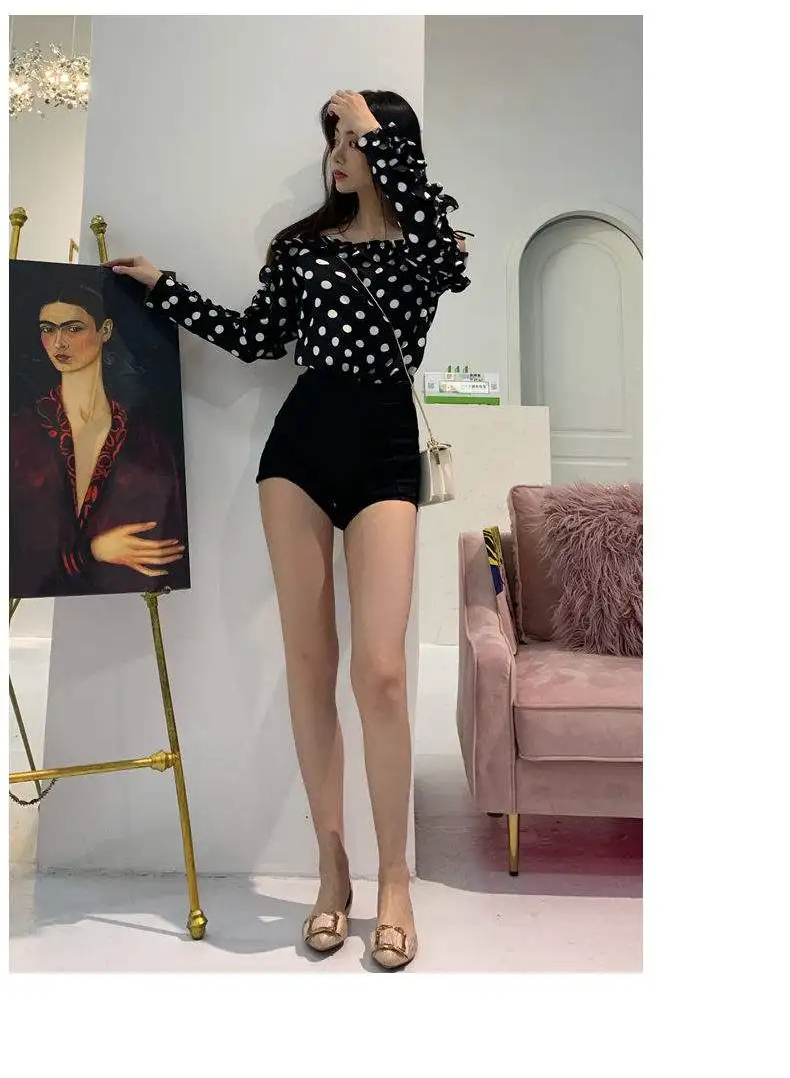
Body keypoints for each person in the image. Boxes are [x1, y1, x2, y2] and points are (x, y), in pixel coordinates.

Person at [107, 89, 470, 970]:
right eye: (334, 141)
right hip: (299, 452)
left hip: (385, 451)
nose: (337, 156)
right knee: (312, 665)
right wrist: (166, 291)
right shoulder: (301, 248)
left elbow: (439, 253)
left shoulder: (431, 244)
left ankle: (394, 878)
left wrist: (376, 133)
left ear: (388, 148)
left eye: (352, 142)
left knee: (382, 672)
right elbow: (257, 336)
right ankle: (332, 870)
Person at [9, 282, 188, 598]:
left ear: (105, 330)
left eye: (73, 328)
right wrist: (94, 550)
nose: (59, 342)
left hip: (126, 597)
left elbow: (167, 540)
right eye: (48, 329)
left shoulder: (147, 440)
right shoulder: (19, 433)